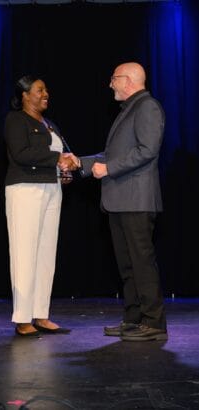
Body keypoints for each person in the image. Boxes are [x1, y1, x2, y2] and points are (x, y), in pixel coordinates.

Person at [79, 62, 167, 341]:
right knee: (127, 265)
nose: (110, 84)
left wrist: (109, 169)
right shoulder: (130, 109)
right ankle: (133, 319)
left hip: (137, 199)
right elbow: (110, 153)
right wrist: (80, 163)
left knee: (141, 263)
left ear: (128, 80)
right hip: (121, 200)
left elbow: (147, 151)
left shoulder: (147, 107)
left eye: (114, 78)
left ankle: (154, 323)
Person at [4, 75, 77, 337]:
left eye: (46, 89)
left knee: (46, 253)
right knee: (25, 253)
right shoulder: (15, 120)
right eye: (39, 90)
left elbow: (58, 156)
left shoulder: (49, 124)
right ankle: (23, 318)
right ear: (24, 95)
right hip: (25, 189)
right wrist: (58, 158)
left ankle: (40, 314)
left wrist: (65, 171)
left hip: (51, 188)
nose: (46, 93)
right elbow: (21, 154)